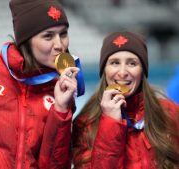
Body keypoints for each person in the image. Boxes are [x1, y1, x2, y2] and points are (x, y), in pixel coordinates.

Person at [0, 0, 80, 168]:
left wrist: (61, 109)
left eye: (63, 34)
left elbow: (54, 165)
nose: (59, 45)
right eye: (48, 36)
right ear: (26, 39)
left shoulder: (61, 90)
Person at [72, 31, 179, 169]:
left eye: (132, 63)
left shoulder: (170, 114)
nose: (122, 72)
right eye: (115, 63)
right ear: (104, 70)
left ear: (142, 71)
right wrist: (110, 124)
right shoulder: (84, 124)